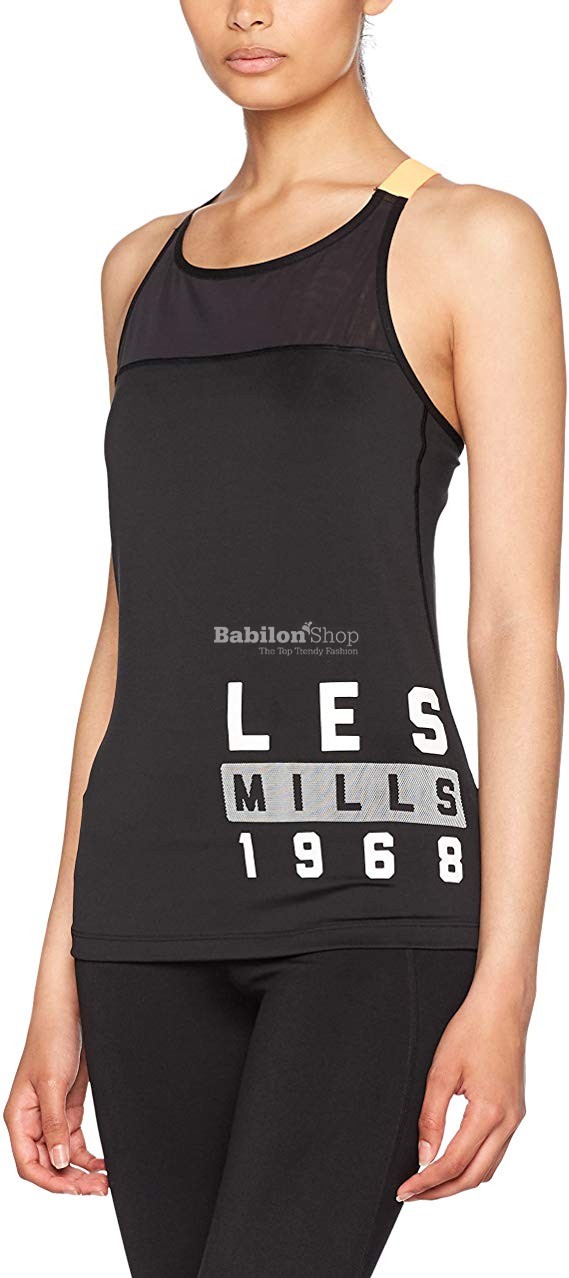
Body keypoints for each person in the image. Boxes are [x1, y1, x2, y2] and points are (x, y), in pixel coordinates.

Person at [5, 2, 565, 1275]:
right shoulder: (137, 271)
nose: (245, 10)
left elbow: (513, 633)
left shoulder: (469, 241)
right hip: (147, 916)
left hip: (368, 895)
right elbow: (130, 630)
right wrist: (55, 970)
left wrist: (507, 985)